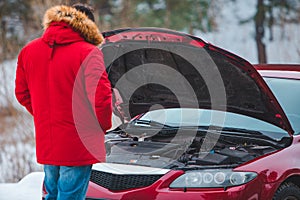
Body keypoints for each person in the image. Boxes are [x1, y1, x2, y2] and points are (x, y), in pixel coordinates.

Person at [15, 3, 112, 200]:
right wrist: (101, 127)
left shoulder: (29, 51)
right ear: (87, 26)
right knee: (71, 195)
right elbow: (101, 100)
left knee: (51, 193)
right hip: (79, 142)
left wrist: (45, 116)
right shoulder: (88, 53)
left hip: (48, 141)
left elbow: (21, 93)